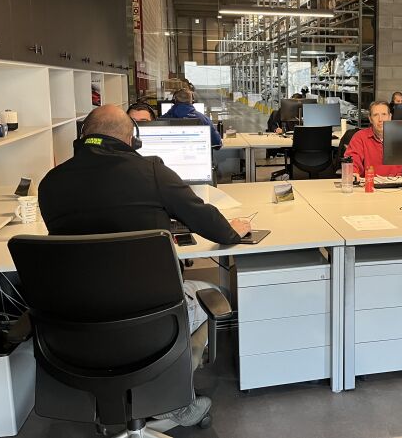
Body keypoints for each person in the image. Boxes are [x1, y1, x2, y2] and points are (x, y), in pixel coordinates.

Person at [38, 105, 251, 426]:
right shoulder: (152, 172)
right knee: (216, 293)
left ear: (82, 136)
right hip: (151, 320)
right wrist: (233, 228)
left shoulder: (50, 183)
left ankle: (125, 390)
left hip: (77, 324)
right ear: (131, 140)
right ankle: (170, 401)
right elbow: (212, 225)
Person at [344, 101, 402, 180]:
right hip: (369, 184)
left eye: (384, 114)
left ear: (390, 117)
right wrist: (353, 172)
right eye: (376, 115)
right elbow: (353, 160)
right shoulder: (360, 137)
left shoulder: (401, 138)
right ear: (370, 119)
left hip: (396, 185)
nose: (380, 119)